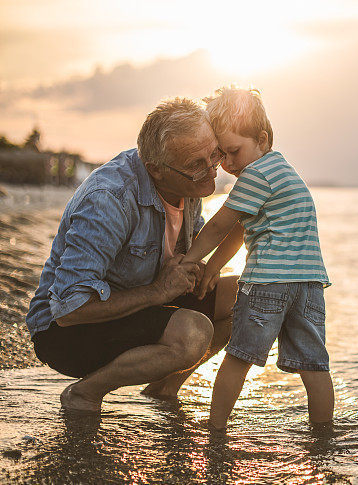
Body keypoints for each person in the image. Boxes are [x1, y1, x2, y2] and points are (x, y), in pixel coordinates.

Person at [26, 97, 238, 412]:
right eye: (197, 164)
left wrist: (200, 270)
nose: (212, 172)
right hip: (65, 333)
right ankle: (85, 393)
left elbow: (180, 255)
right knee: (194, 333)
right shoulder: (110, 199)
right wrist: (157, 292)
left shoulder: (187, 185)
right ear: (156, 169)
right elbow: (69, 308)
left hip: (137, 307)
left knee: (248, 299)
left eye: (214, 155)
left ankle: (162, 392)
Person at [183, 86, 333, 429]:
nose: (228, 164)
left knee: (238, 358)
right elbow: (241, 230)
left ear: (262, 139)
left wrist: (190, 259)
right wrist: (216, 267)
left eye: (234, 151)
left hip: (268, 282)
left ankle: (216, 430)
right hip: (309, 284)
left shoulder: (255, 175)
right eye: (222, 155)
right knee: (314, 366)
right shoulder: (283, 172)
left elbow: (221, 224)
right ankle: (324, 437)